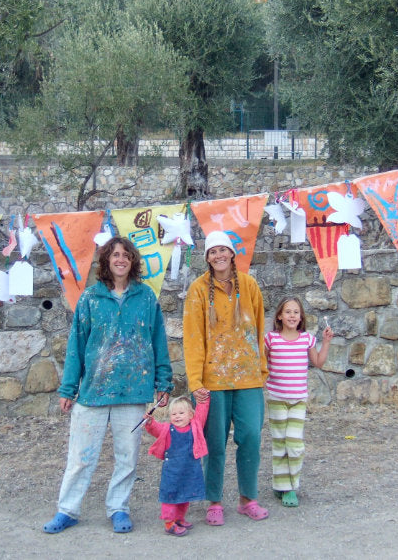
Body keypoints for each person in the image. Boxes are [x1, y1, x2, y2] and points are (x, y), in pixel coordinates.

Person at [43, 236, 173, 535]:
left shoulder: (146, 298)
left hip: (134, 392)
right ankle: (68, 509)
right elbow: (76, 345)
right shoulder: (89, 299)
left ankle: (118, 508)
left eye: (126, 255)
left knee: (127, 457)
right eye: (115, 255)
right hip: (93, 392)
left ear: (133, 261)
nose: (120, 259)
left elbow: (158, 343)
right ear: (106, 260)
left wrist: (163, 381)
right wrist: (68, 388)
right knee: (80, 457)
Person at [181, 230, 268, 526]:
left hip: (249, 379)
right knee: (214, 443)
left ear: (232, 254)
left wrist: (261, 368)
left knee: (251, 438)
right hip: (212, 382)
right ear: (207, 258)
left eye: (223, 250)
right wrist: (196, 382)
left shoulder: (249, 285)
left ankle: (248, 499)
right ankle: (214, 501)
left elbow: (258, 328)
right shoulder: (197, 290)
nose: (219, 255)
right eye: (212, 251)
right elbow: (192, 339)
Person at [264, 296, 332, 507]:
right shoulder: (271, 339)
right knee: (279, 443)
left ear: (301, 316)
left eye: (296, 312)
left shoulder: (306, 339)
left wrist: (326, 342)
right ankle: (282, 486)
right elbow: (263, 365)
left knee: (294, 443)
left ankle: (292, 485)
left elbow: (318, 362)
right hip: (276, 398)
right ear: (279, 316)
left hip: (298, 399)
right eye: (288, 312)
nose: (292, 315)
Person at [143, 393, 211, 536]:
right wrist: (149, 422)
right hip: (172, 471)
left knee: (185, 494)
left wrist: (204, 399)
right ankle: (169, 522)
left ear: (191, 415)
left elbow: (202, 411)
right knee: (170, 495)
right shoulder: (167, 429)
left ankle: (179, 518)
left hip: (190, 469)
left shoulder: (196, 426)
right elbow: (155, 429)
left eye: (181, 413)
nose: (177, 416)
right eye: (173, 414)